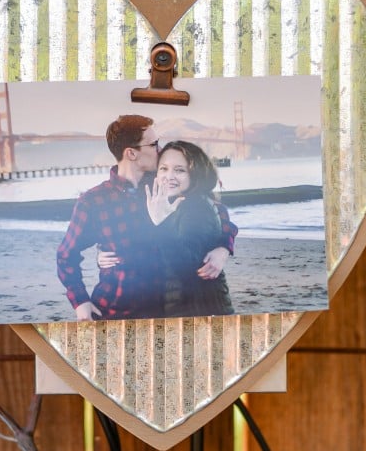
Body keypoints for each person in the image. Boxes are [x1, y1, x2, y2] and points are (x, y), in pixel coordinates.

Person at [56, 115, 236, 321]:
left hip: (168, 307)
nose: (160, 149)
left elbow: (214, 211)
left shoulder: (165, 183)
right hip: (116, 309)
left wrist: (224, 247)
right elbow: (66, 255)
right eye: (154, 144)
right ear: (131, 153)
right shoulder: (94, 201)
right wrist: (80, 301)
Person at [146, 141, 235, 316]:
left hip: (197, 307)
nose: (169, 176)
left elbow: (184, 264)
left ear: (195, 174)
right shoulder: (172, 203)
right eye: (163, 169)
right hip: (183, 303)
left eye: (179, 170)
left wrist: (160, 224)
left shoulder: (196, 207)